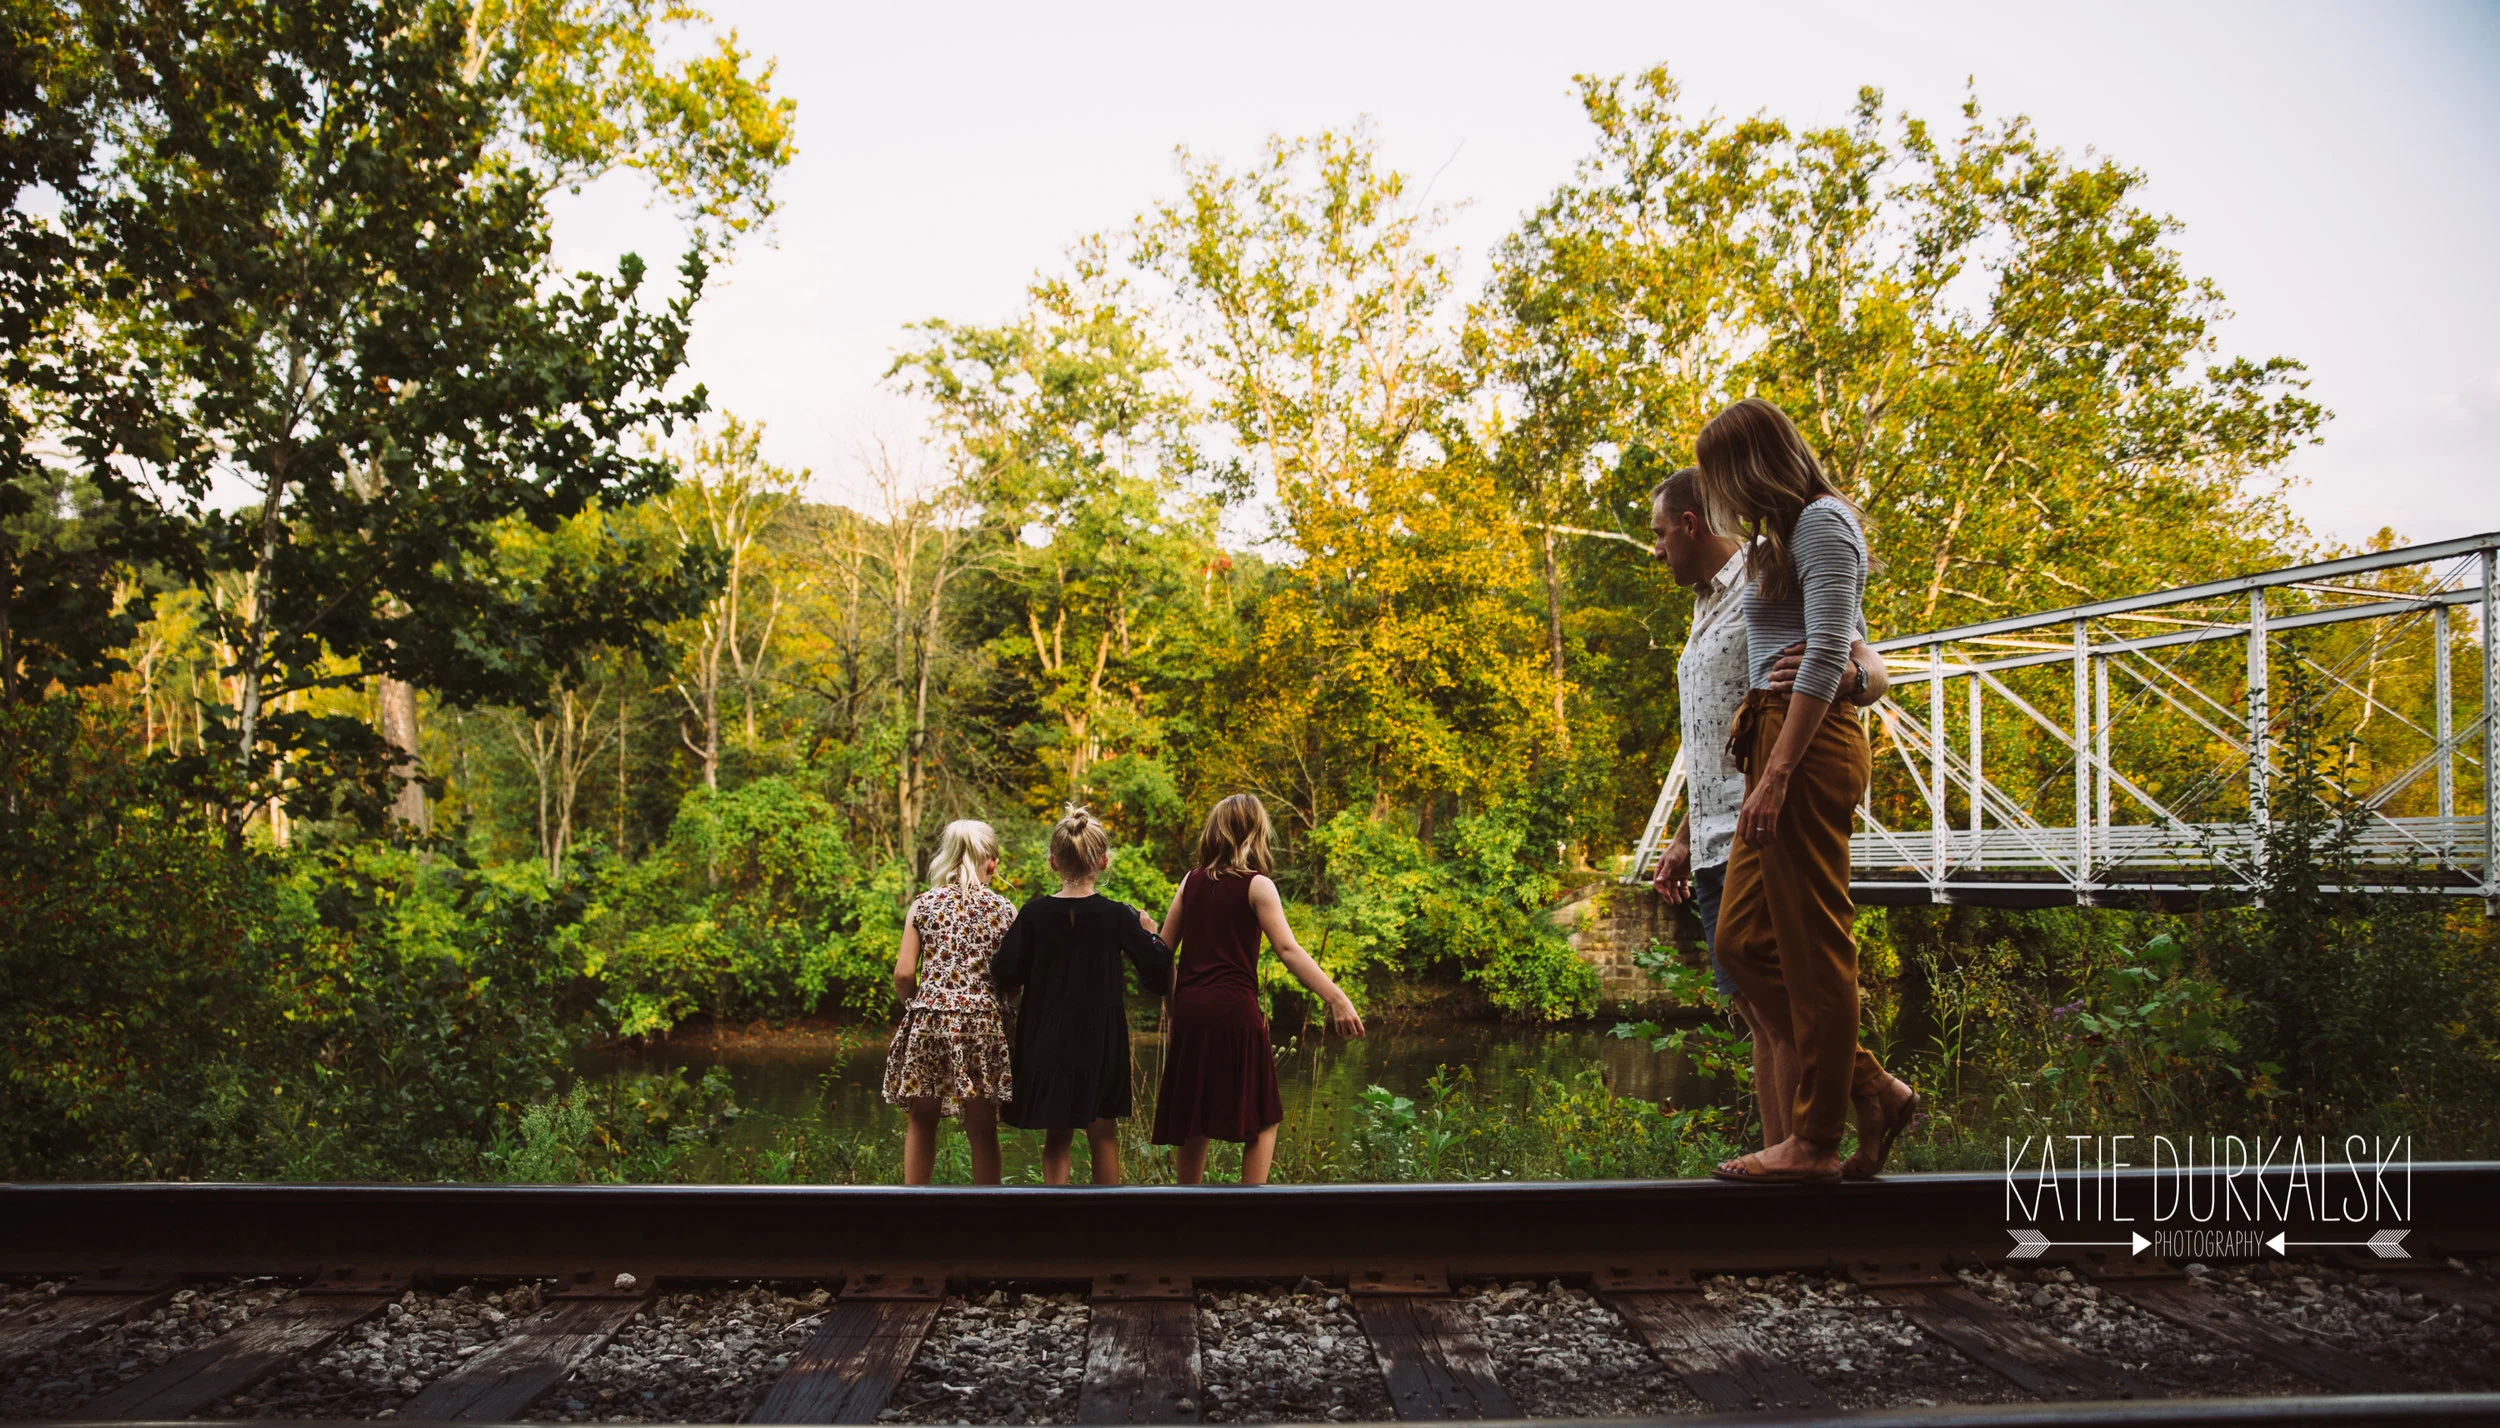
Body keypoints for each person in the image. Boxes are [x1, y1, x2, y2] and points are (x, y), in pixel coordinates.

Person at [1693, 398, 1921, 1185]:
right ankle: (1872, 1086)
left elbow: (1832, 653)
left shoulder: (1825, 522)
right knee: (1742, 943)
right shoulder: (1779, 539)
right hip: (1769, 734)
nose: (1719, 496)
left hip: (1805, 745)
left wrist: (1778, 773)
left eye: (1721, 476)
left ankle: (1815, 1141)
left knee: (1815, 948)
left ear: (1751, 464)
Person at [1647, 466, 1890, 1154]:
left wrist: (1850, 677)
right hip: (1715, 829)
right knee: (1759, 1014)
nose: (1656, 551)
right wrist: (1684, 834)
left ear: (1691, 525)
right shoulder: (1702, 605)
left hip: (1763, 820)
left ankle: (1813, 1152)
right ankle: (1785, 1153)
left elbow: (1869, 665)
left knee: (1781, 1007)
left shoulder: (1771, 571)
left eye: (1660, 535)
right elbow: (1722, 731)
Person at [1152, 793, 1364, 1185]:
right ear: (1254, 834)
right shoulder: (1257, 885)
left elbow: (1162, 954)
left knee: (1194, 1118)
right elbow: (1288, 950)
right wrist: (1336, 997)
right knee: (1264, 1118)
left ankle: (1186, 1206)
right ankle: (1251, 1208)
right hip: (1235, 1011)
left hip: (1191, 1011)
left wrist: (1173, 1010)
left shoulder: (1189, 882)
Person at [991, 806, 1173, 1185]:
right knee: (1102, 1134)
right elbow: (1158, 974)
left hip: (1046, 1037)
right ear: (1103, 861)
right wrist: (1151, 933)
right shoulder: (1119, 916)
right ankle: (1106, 1216)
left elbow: (1003, 972)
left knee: (1057, 1135)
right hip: (1100, 1040)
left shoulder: (1033, 914)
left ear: (1053, 861)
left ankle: (1054, 1214)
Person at [883, 818, 1017, 1185]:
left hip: (931, 1020)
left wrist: (918, 1006)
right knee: (982, 1126)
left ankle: (915, 1205)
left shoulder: (924, 905)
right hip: (983, 1024)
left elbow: (903, 974)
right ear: (991, 862)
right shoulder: (1005, 910)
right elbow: (1015, 978)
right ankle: (988, 1208)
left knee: (921, 1118)